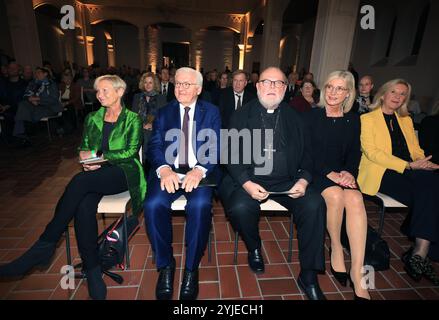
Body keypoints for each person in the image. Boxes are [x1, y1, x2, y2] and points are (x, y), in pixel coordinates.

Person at [0, 75, 147, 300]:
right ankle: (93, 269)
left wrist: (98, 157)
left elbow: (128, 152)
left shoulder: (133, 119)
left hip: (124, 172)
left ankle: (45, 244)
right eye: (98, 91)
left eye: (105, 91)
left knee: (79, 182)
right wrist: (84, 156)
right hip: (96, 175)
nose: (99, 95)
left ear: (119, 92)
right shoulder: (92, 118)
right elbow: (84, 146)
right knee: (83, 205)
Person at [219, 67, 327, 300]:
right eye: (267, 82)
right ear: (257, 86)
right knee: (239, 208)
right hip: (250, 180)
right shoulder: (240, 115)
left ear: (285, 89)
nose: (272, 87)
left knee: (315, 204)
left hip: (288, 182)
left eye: (278, 83)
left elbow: (309, 155)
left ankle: (308, 275)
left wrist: (304, 179)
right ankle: (254, 246)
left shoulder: (296, 117)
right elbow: (228, 153)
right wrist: (246, 183)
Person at [144, 67, 221, 300]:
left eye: (187, 84)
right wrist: (164, 168)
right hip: (170, 171)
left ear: (198, 88)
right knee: (153, 205)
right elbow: (155, 146)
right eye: (178, 83)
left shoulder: (211, 112)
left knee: (199, 207)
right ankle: (165, 265)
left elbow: (215, 146)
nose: (181, 88)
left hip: (199, 173)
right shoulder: (164, 111)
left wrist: (199, 170)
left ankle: (191, 268)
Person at [357, 79, 439, 285]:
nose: (397, 97)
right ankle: (422, 252)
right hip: (382, 172)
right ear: (383, 94)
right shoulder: (367, 119)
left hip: (412, 171)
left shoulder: (406, 120)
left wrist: (423, 162)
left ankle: (419, 253)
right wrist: (410, 166)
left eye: (402, 94)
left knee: (431, 187)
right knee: (430, 189)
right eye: (393, 92)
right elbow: (373, 153)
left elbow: (416, 149)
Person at [304, 70, 370, 300]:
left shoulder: (354, 120)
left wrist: (349, 173)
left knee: (355, 198)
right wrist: (328, 173)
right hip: (318, 173)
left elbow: (354, 152)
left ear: (348, 93)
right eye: (330, 86)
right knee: (335, 196)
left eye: (339, 88)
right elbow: (307, 153)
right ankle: (336, 246)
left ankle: (358, 270)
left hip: (343, 174)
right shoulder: (312, 116)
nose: (333, 92)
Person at [12, 67, 62, 145]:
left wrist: (38, 100)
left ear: (45, 74)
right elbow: (26, 94)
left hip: (48, 107)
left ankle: (23, 134)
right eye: (36, 73)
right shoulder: (33, 83)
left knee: (29, 113)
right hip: (34, 105)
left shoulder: (51, 84)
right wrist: (30, 99)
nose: (36, 74)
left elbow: (54, 99)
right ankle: (20, 134)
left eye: (39, 72)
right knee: (22, 105)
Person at [131, 72, 167, 172]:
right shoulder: (137, 97)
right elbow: (133, 116)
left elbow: (164, 118)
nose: (147, 85)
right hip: (139, 129)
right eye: (145, 82)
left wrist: (152, 125)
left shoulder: (161, 98)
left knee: (149, 138)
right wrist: (141, 125)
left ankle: (151, 169)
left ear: (155, 84)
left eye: (150, 82)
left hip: (154, 131)